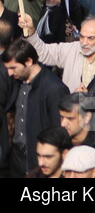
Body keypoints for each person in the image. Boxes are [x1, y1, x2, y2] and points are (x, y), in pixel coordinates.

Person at [2, 38, 65, 177]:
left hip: (38, 161)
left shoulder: (54, 89)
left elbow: (58, 131)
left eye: (13, 68)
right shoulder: (17, 82)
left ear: (29, 62)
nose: (10, 73)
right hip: (16, 159)